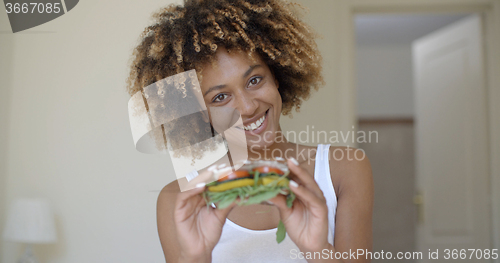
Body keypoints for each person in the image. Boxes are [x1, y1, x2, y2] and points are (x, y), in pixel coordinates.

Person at [126, 0, 373, 262]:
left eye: (254, 80)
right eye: (220, 97)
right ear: (201, 114)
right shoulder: (178, 199)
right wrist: (197, 256)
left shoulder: (344, 170)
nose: (247, 107)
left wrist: (317, 249)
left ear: (276, 75)